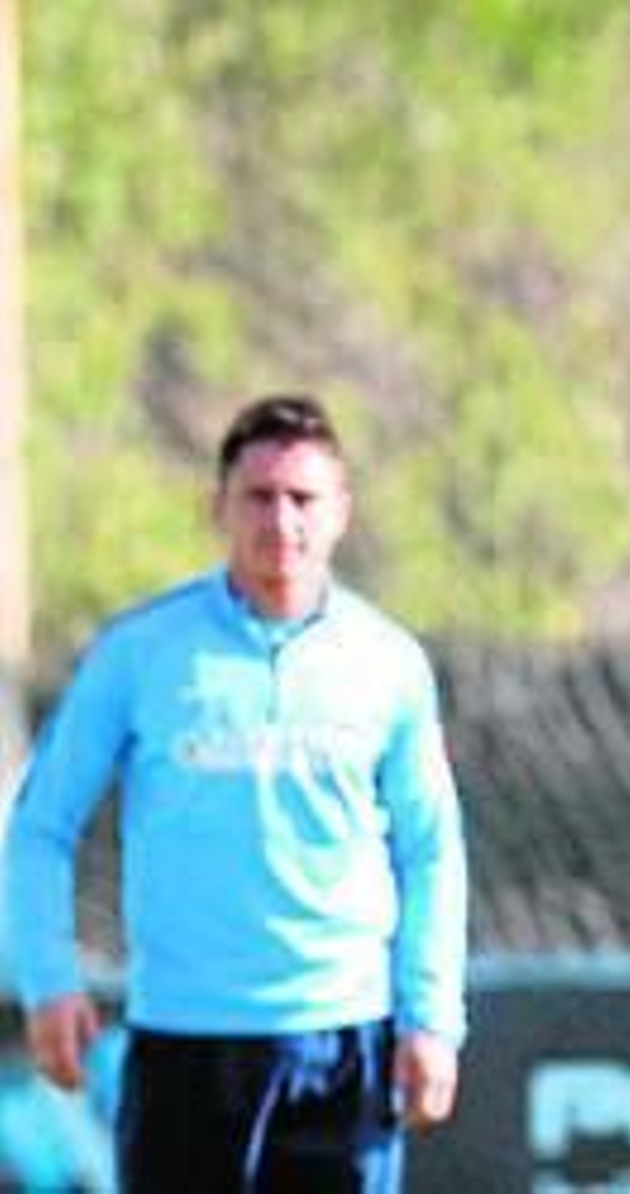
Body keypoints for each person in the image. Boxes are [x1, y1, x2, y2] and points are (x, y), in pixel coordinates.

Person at [3, 394, 469, 1193]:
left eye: (303, 498)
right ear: (218, 506)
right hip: (186, 1040)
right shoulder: (141, 653)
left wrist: (432, 1018)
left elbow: (430, 848)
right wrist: (47, 980)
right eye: (258, 496)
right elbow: (41, 825)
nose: (281, 520)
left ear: (341, 513)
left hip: (343, 1047)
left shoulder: (387, 663)